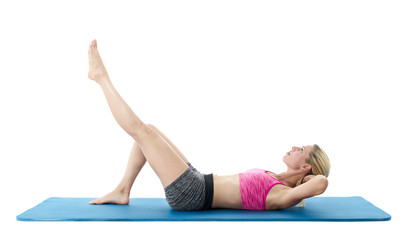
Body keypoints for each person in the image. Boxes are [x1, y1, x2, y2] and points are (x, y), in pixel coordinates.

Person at [87, 39, 331, 211]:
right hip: (199, 180)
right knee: (148, 134)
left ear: (306, 167)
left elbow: (321, 183)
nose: (294, 146)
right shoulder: (276, 178)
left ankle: (101, 77)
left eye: (301, 150)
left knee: (141, 130)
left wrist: (306, 179)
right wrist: (298, 175)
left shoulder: (282, 195)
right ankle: (122, 190)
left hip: (192, 195)